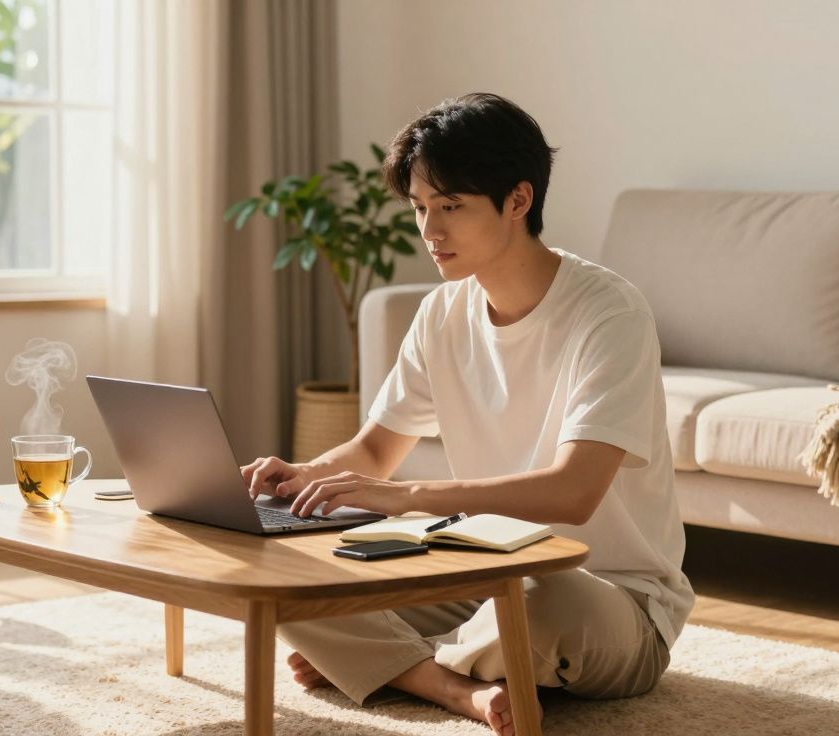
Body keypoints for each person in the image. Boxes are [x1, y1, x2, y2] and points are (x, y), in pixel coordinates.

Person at [241, 92, 693, 736]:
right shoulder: (442, 313)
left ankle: (387, 663)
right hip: (478, 568)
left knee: (538, 597)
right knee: (285, 573)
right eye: (422, 208)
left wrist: (404, 499)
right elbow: (372, 453)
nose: (431, 231)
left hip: (606, 599)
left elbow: (574, 492)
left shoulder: (609, 313)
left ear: (518, 200)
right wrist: (298, 476)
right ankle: (455, 688)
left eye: (451, 206)